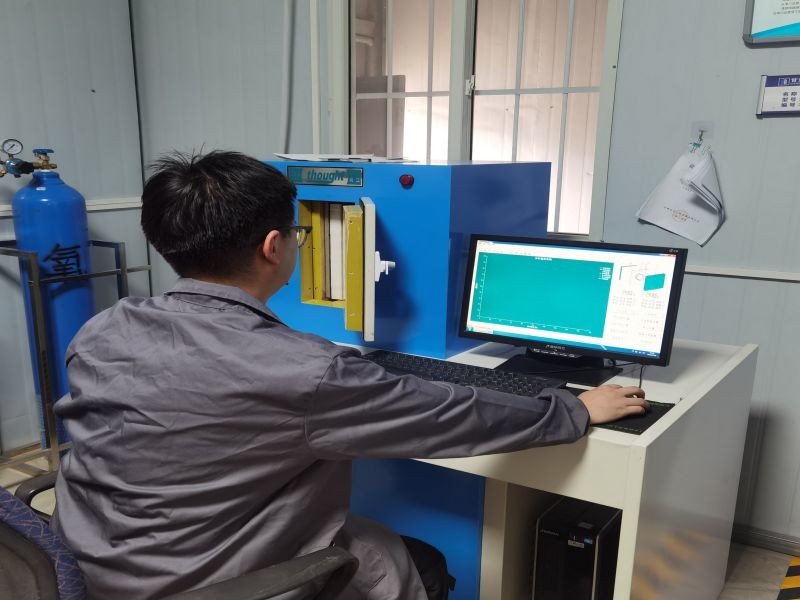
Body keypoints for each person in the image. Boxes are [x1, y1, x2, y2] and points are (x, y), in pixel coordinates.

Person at [51, 150, 648, 600]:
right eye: (300, 232)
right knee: (408, 560)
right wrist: (574, 408)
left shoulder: (104, 329)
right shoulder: (305, 371)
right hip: (204, 579)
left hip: (99, 561)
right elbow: (450, 415)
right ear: (273, 246)